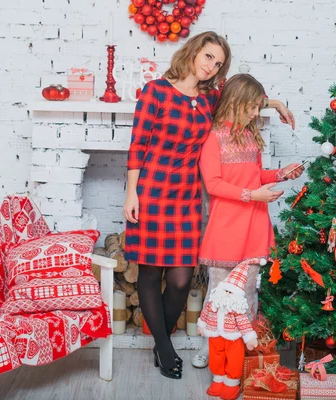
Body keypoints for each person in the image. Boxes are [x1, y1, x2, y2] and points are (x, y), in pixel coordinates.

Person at [123, 32, 295, 380]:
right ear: (192, 51)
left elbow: (241, 99)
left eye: (217, 63)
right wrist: (131, 193)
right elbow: (138, 146)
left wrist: (274, 104)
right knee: (149, 272)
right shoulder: (155, 92)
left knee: (182, 279)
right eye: (207, 57)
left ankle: (160, 342)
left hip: (186, 197)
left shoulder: (208, 98)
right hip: (152, 191)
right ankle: (165, 347)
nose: (210, 66)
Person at [192, 74, 305, 370]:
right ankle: (210, 345)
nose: (257, 113)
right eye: (253, 107)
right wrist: (251, 194)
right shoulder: (214, 138)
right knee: (219, 294)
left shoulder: (250, 136)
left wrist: (281, 173)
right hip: (225, 227)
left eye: (259, 107)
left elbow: (256, 177)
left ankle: (243, 351)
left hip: (253, 225)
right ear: (236, 102)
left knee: (248, 294)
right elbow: (214, 184)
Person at [197, 258, 262, 400]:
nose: (226, 294)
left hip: (233, 339)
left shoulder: (237, 309)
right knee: (216, 359)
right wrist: (201, 325)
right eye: (225, 290)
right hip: (215, 336)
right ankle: (218, 380)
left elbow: (244, 322)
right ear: (220, 288)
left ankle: (231, 383)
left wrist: (249, 338)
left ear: (238, 296)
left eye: (230, 292)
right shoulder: (213, 303)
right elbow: (205, 314)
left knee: (234, 360)